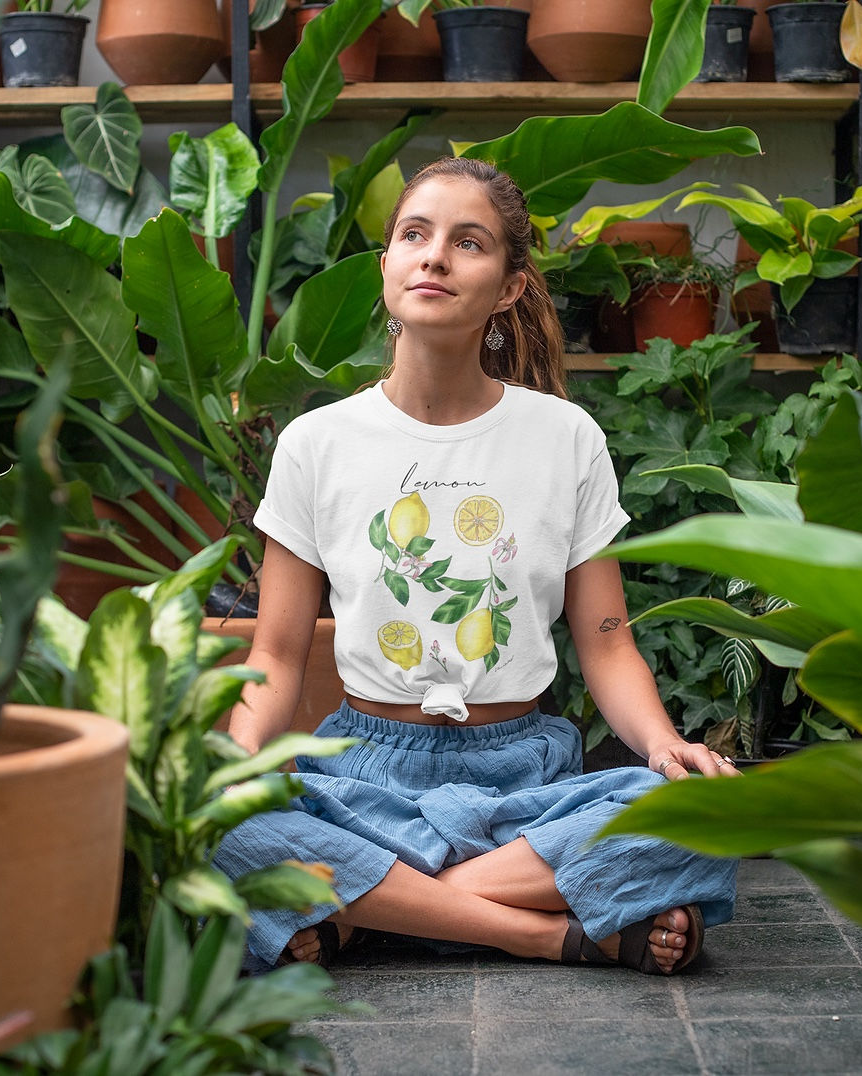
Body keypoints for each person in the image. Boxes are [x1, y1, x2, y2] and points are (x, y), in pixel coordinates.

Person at [215, 156, 739, 976]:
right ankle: (545, 930)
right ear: (386, 263)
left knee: (701, 811)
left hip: (523, 775)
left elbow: (605, 642)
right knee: (226, 826)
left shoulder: (566, 440)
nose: (433, 256)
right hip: (361, 775)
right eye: (414, 235)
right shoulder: (316, 444)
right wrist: (237, 760)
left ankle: (368, 913)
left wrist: (666, 746)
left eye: (468, 243)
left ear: (507, 288)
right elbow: (276, 653)